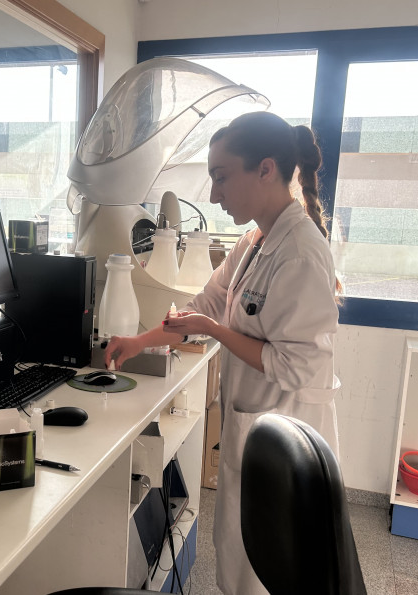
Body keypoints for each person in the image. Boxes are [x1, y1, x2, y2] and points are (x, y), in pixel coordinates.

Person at [104, 110, 341, 595]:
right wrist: (138, 342)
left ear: (266, 169)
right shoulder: (255, 241)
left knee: (267, 574)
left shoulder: (299, 253)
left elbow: (294, 366)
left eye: (221, 177)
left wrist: (213, 331)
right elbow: (204, 305)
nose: (214, 195)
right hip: (253, 430)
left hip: (285, 438)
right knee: (237, 558)